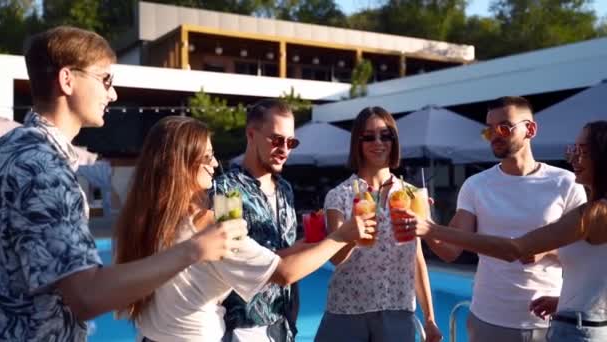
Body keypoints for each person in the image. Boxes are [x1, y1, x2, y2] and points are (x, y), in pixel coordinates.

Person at [0, 26, 247, 341]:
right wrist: (195, 249)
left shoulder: (12, 149)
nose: (112, 94)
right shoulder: (43, 168)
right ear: (67, 79)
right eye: (105, 80)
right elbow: (86, 295)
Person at [112, 116, 375, 342]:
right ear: (181, 164)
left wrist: (294, 250)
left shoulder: (139, 221)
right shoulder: (208, 225)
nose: (215, 164)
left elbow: (235, 263)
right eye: (207, 156)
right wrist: (342, 236)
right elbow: (284, 274)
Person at [404, 120, 607, 341]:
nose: (574, 158)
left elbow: (514, 248)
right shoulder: (476, 185)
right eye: (573, 149)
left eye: (583, 151)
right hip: (574, 321)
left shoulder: (594, 213)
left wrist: (430, 229)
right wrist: (566, 302)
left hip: (580, 331)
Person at [314, 106, 442, 342]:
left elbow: (416, 259)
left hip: (397, 310)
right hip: (347, 310)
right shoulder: (339, 195)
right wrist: (352, 234)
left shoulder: (411, 195)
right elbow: (335, 258)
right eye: (369, 136)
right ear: (357, 143)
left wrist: (430, 318)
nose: (378, 142)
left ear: (394, 141)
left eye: (385, 135)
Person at [213, 99, 305, 341]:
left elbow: (289, 251)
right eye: (276, 140)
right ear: (251, 135)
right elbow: (231, 257)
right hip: (243, 328)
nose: (284, 149)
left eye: (290, 142)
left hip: (283, 325)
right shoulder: (226, 190)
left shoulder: (285, 189)